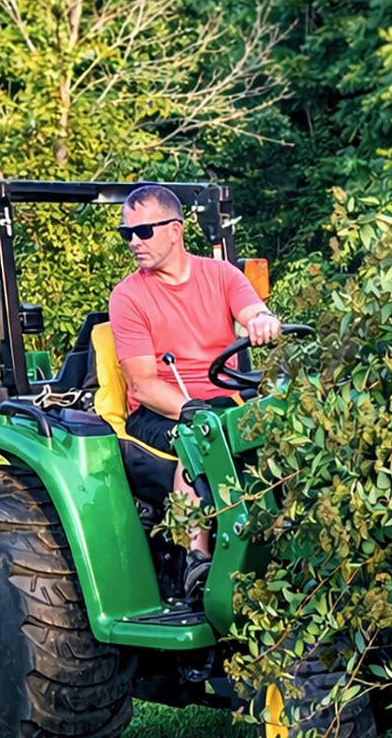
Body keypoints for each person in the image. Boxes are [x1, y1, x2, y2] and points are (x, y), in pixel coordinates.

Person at [108, 181, 281, 604]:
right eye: (126, 233)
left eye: (142, 231)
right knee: (200, 439)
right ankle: (197, 560)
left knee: (280, 433)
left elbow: (253, 310)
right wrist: (193, 410)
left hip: (223, 399)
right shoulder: (128, 297)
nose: (134, 242)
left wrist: (262, 320)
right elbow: (143, 385)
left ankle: (282, 543)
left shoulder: (221, 275)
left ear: (175, 229)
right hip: (160, 408)